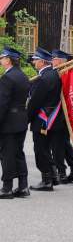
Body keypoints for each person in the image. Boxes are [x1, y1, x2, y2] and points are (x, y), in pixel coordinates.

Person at [27, 48, 65, 191]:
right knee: (45, 148)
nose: (34, 62)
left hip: (42, 119)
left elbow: (35, 102)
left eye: (35, 60)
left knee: (40, 149)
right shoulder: (53, 74)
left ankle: (46, 180)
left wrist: (27, 118)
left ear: (42, 62)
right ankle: (53, 176)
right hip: (52, 119)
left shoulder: (45, 78)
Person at [0, 47, 31, 198]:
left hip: (8, 122)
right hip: (21, 120)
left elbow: (2, 104)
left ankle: (7, 188)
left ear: (8, 60)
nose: (0, 60)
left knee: (7, 154)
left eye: (2, 57)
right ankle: (23, 187)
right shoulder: (23, 76)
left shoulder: (7, 78)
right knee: (18, 153)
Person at [51, 49, 73, 183]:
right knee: (64, 143)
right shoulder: (64, 73)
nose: (52, 61)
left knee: (57, 144)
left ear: (60, 61)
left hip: (60, 115)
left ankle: (62, 173)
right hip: (65, 115)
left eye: (54, 59)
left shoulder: (64, 74)